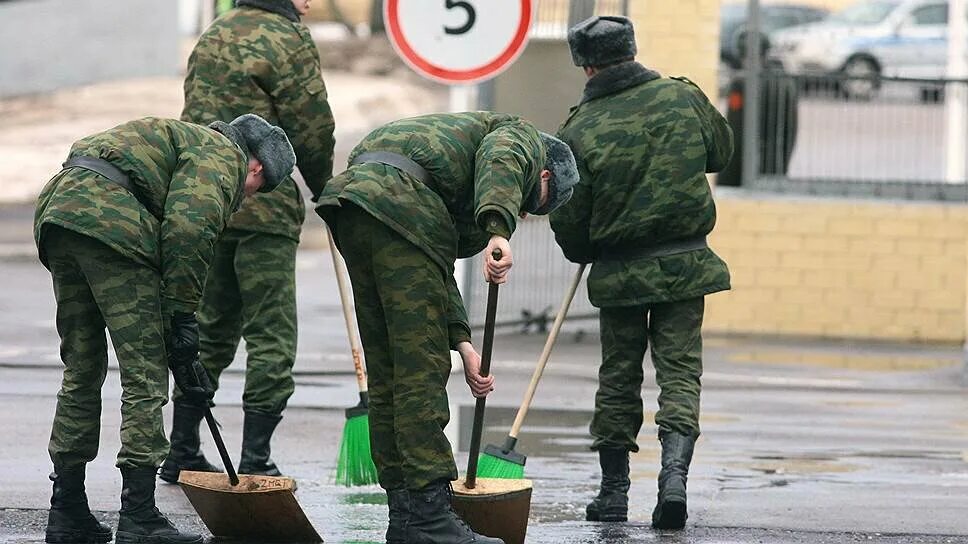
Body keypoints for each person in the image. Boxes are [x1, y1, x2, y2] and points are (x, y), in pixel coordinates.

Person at [314, 112, 579, 544]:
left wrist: (462, 343)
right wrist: (499, 228)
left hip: (355, 208)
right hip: (397, 206)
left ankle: (404, 517)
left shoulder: (446, 161)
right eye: (538, 202)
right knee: (419, 373)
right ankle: (430, 517)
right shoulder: (520, 134)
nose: (529, 212)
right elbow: (504, 156)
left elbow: (432, 266)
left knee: (389, 375)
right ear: (544, 172)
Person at [35, 115, 295, 544]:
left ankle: (67, 512)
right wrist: (181, 316)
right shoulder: (222, 156)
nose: (246, 200)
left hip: (60, 214)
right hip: (110, 221)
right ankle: (139, 515)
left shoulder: (184, 139)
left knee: (82, 368)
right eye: (255, 192)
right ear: (256, 168)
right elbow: (189, 230)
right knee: (145, 372)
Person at [550, 16, 734, 530]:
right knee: (680, 372)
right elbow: (721, 152)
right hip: (685, 263)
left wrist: (581, 248)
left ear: (586, 65)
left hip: (620, 272)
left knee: (618, 377)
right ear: (633, 49)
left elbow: (569, 212)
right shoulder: (683, 97)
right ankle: (673, 480)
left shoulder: (579, 128)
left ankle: (613, 494)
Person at [164, 0, 336, 482]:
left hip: (208, 200)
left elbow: (192, 112)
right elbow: (311, 123)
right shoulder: (288, 37)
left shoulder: (214, 33)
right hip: (265, 207)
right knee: (271, 335)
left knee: (210, 328)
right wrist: (326, 188)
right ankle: (256, 457)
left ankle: (181, 449)